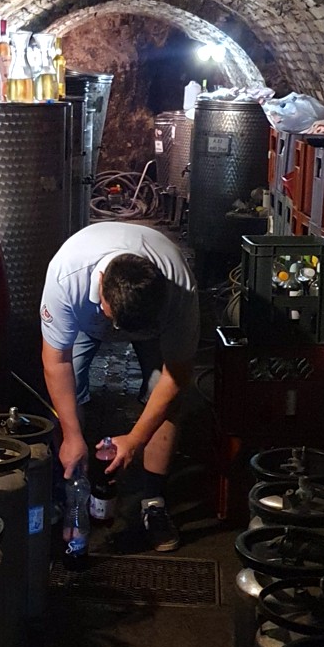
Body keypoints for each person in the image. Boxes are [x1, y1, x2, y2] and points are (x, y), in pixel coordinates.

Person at [40, 222, 199, 551]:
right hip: (85, 321)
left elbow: (176, 376)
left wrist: (136, 439)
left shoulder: (180, 289)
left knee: (165, 399)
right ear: (100, 283)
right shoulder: (66, 276)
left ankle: (153, 502)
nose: (117, 331)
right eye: (110, 315)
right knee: (66, 396)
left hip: (152, 329)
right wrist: (72, 434)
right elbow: (56, 361)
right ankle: (70, 490)